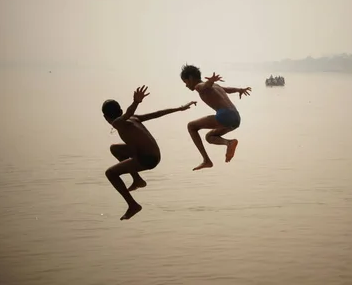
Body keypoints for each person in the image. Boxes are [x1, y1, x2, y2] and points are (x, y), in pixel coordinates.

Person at [102, 85, 196, 220]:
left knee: (110, 173)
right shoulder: (133, 118)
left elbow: (128, 113)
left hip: (147, 159)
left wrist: (136, 102)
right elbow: (157, 114)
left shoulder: (118, 122)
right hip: (153, 154)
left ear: (105, 117)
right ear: (120, 110)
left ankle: (133, 205)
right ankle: (137, 179)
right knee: (115, 148)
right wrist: (179, 108)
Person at [180, 65, 251, 170]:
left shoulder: (198, 86)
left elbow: (205, 86)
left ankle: (206, 160)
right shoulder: (216, 85)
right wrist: (239, 89)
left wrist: (210, 82)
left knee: (191, 126)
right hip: (236, 118)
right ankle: (229, 143)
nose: (186, 85)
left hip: (225, 115)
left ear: (190, 78)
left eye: (185, 82)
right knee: (209, 137)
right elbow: (227, 89)